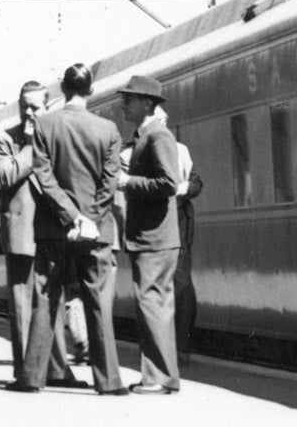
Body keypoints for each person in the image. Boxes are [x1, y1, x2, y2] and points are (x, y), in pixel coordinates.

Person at [28, 62, 126, 395]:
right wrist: (90, 219)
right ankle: (109, 381)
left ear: (63, 90)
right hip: (96, 233)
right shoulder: (109, 129)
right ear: (90, 90)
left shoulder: (44, 125)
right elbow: (109, 183)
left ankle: (31, 377)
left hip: (54, 229)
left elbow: (44, 176)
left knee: (45, 298)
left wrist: (71, 217)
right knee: (98, 302)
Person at [0, 79, 82, 392]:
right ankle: (27, 373)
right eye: (24, 106)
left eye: (36, 107)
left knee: (52, 304)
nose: (29, 112)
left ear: (47, 107)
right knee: (22, 304)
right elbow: (7, 174)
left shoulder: (57, 135)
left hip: (54, 230)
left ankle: (57, 370)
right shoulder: (5, 138)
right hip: (21, 232)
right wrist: (32, 145)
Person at [114, 74, 183, 395]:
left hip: (154, 237)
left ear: (147, 103)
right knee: (154, 304)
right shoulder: (147, 135)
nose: (123, 103)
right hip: (152, 237)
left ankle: (157, 378)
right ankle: (160, 376)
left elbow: (169, 183)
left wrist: (128, 182)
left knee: (151, 304)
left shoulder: (158, 137)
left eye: (129, 98)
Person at [173, 142, 203, 357]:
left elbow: (196, 182)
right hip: (156, 222)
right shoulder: (137, 150)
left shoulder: (180, 150)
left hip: (179, 223)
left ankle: (181, 345)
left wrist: (185, 187)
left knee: (182, 285)